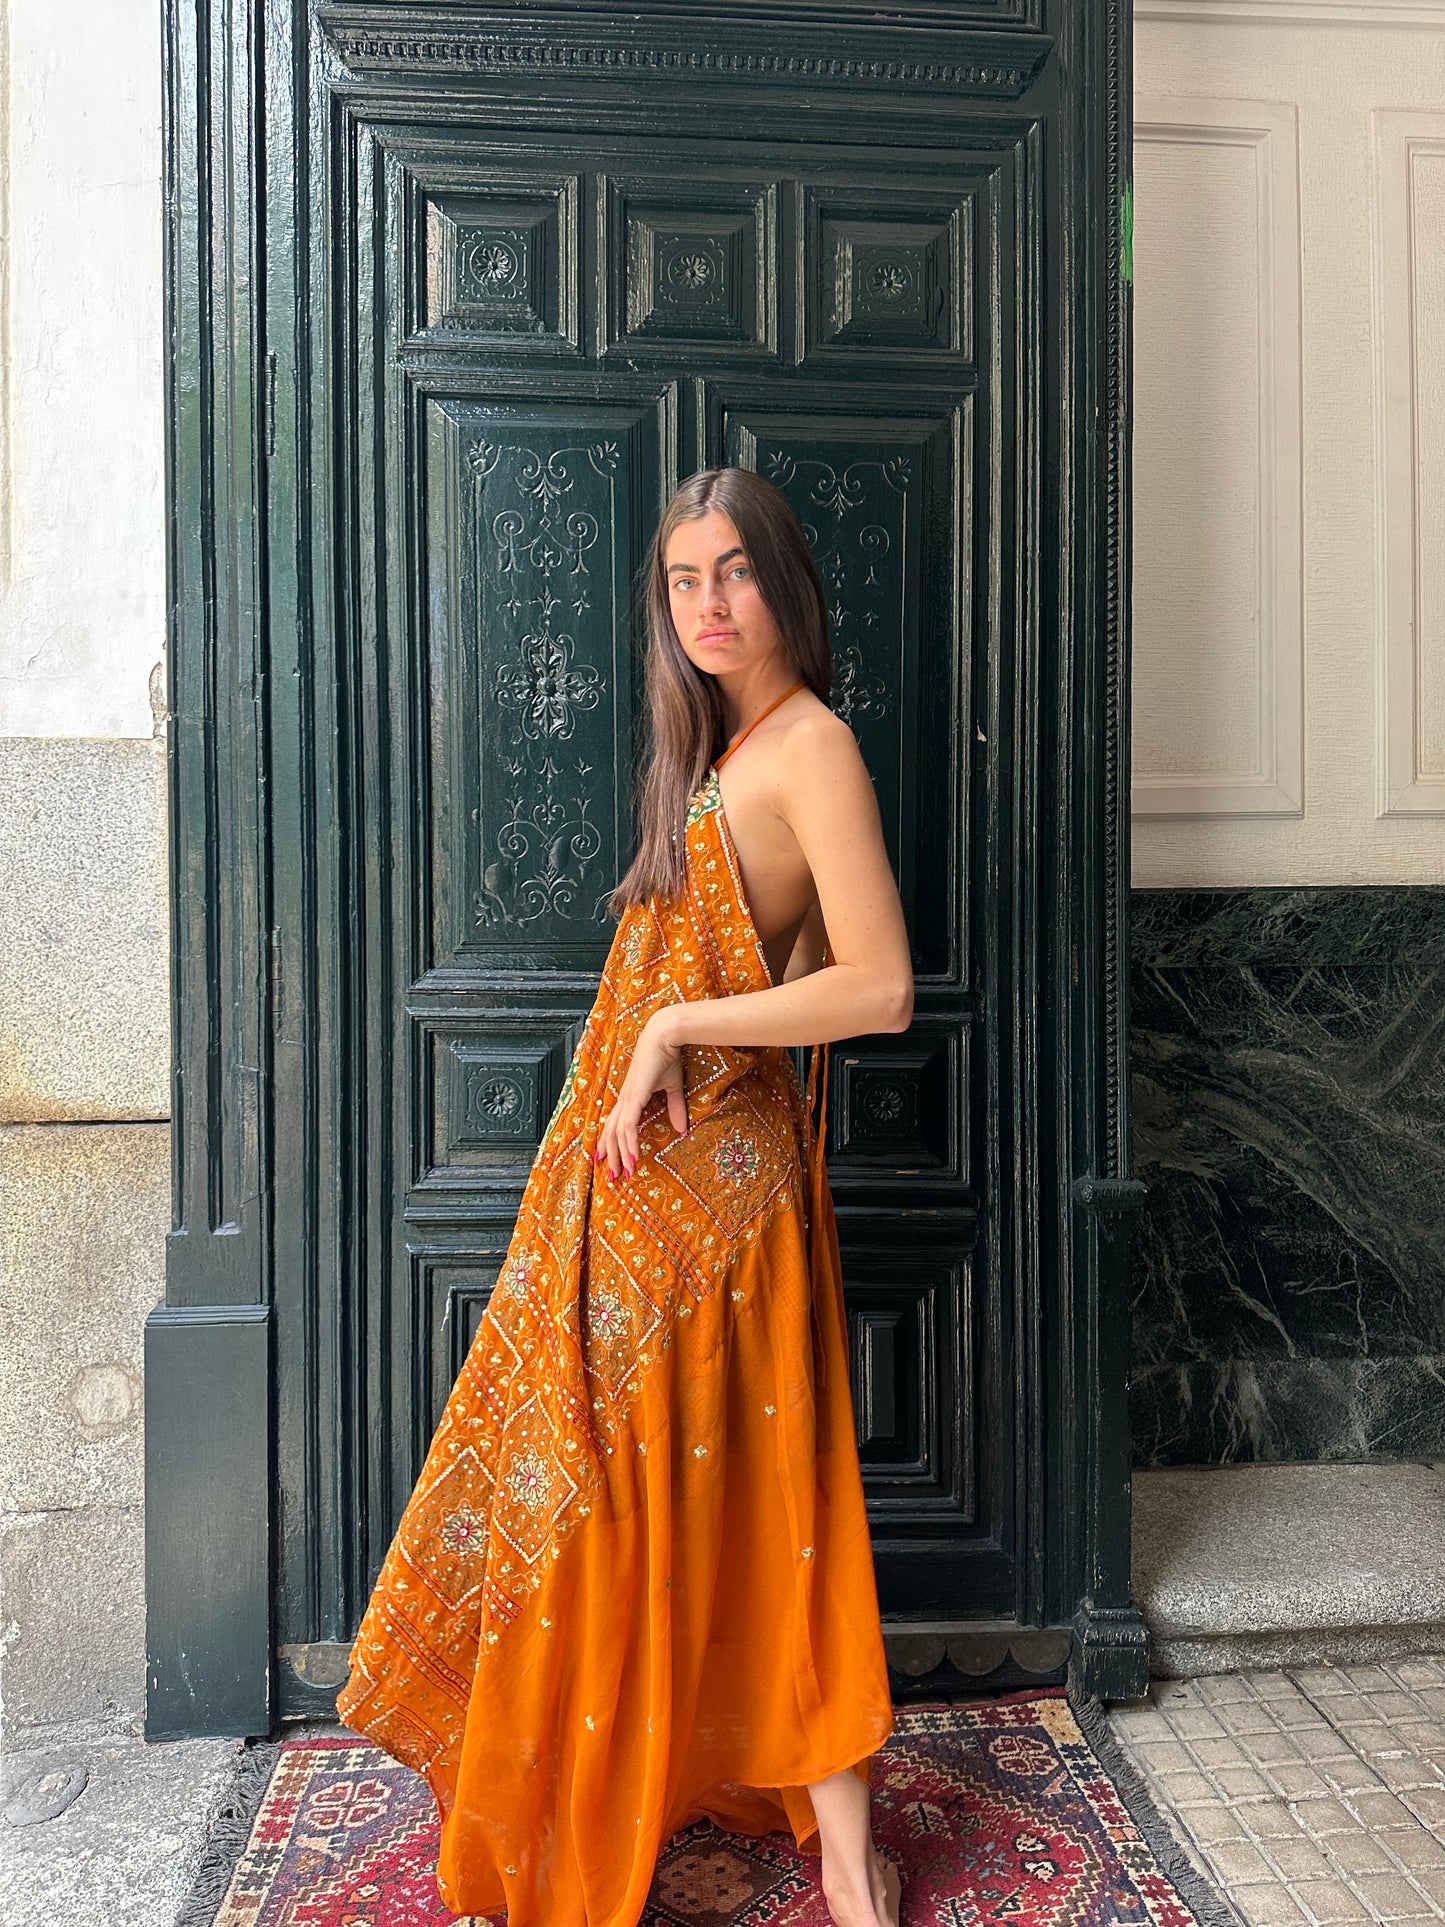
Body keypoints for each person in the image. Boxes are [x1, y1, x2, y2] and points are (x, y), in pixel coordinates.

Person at [336, 466, 916, 1927]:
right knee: (685, 1508)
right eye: (680, 580)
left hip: (717, 1201)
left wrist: (673, 1031)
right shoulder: (718, 754)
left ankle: (846, 1860)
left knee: (754, 1509)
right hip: (643, 1188)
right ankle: (715, 1818)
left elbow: (880, 986)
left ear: (785, 583)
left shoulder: (809, 747)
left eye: (733, 572)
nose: (709, 606)